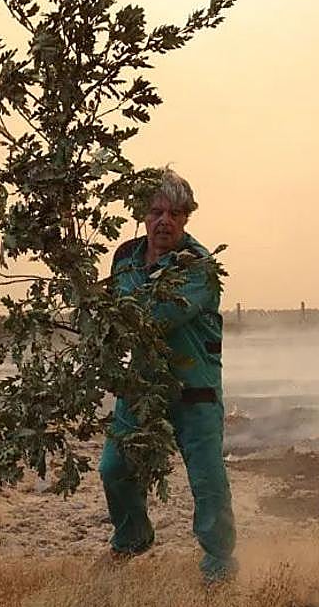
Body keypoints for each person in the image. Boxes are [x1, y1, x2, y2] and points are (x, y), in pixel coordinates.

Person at [97, 168, 237, 583]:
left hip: (195, 389)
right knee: (114, 467)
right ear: (142, 214)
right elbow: (113, 310)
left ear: (187, 217)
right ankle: (132, 538)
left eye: (175, 214)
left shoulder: (198, 266)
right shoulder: (125, 257)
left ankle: (219, 566)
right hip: (142, 385)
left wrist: (108, 312)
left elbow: (156, 316)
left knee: (207, 480)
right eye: (156, 212)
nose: (165, 221)